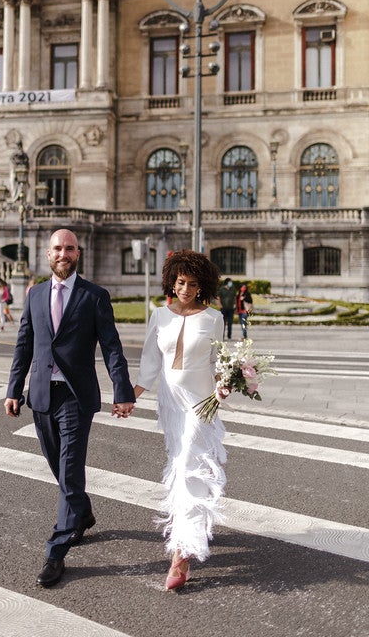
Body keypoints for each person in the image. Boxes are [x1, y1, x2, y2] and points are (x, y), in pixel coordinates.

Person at [4, 228, 135, 587]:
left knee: (70, 468)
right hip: (43, 395)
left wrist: (122, 390)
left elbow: (111, 346)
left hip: (77, 397)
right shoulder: (35, 295)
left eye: (70, 248)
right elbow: (24, 345)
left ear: (79, 253)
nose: (64, 253)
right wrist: (14, 389)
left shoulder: (95, 296)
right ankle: (84, 513)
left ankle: (56, 549)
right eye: (57, 248)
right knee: (57, 466)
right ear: (48, 254)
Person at [133, 250, 226, 591]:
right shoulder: (159, 315)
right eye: (181, 282)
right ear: (172, 281)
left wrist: (225, 386)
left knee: (189, 463)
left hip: (203, 403)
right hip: (171, 403)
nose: (186, 289)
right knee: (180, 466)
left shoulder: (214, 318)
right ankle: (187, 533)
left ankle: (182, 554)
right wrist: (132, 395)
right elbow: (150, 360)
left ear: (203, 286)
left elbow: (220, 361)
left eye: (193, 284)